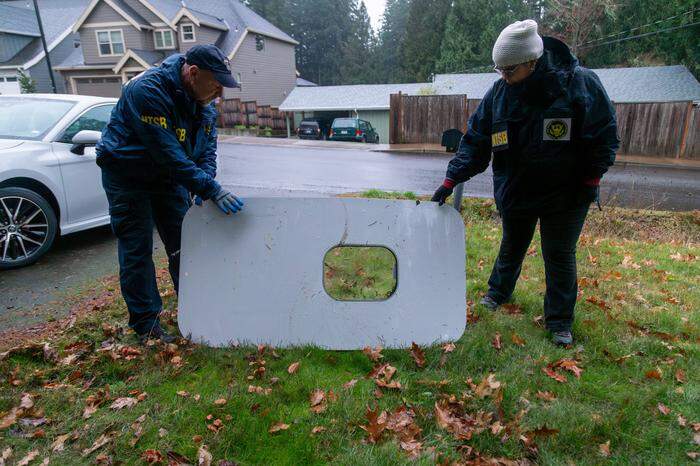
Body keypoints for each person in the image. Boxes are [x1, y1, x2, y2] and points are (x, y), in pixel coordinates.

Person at [432, 20, 619, 346]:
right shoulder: (499, 94)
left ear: (532, 62)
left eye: (510, 69)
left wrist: (591, 178)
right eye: (499, 69)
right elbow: (476, 140)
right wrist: (452, 179)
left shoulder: (579, 85)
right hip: (517, 189)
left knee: (559, 254)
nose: (503, 76)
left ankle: (559, 322)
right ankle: (498, 293)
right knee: (512, 245)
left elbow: (604, 136)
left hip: (567, 193)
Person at [96, 45, 244, 344]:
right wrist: (209, 188)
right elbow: (168, 153)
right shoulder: (147, 90)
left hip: (169, 177)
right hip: (128, 175)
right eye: (216, 84)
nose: (220, 93)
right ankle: (146, 326)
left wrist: (205, 182)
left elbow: (207, 151)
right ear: (193, 73)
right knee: (137, 249)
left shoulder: (203, 105)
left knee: (185, 245)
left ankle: (196, 310)